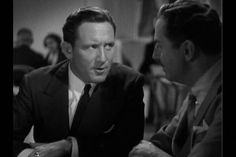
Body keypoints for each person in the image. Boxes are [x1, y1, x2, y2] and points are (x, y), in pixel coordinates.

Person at [13, 6, 145, 157]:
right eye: (92, 47)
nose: (103, 58)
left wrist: (69, 147)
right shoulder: (35, 82)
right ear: (68, 50)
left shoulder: (129, 82)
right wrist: (34, 155)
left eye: (109, 46)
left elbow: (130, 143)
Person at [129, 0, 222, 157]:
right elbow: (163, 140)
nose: (154, 55)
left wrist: (156, 155)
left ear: (187, 50)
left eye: (160, 46)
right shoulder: (197, 89)